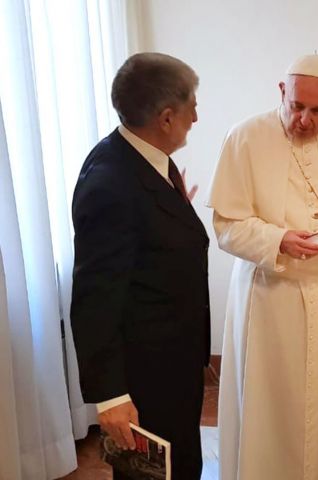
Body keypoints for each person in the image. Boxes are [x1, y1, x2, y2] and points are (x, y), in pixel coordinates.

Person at [207, 54, 318, 480]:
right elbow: (226, 226)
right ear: (281, 91)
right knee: (274, 403)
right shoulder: (245, 138)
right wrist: (276, 240)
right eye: (297, 106)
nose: (304, 119)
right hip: (271, 296)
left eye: (317, 110)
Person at [70, 52, 209, 479]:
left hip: (172, 362)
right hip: (146, 375)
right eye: (192, 107)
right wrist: (110, 397)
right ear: (166, 118)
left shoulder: (143, 156)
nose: (197, 117)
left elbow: (149, 243)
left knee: (182, 465)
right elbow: (95, 297)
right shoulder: (112, 182)